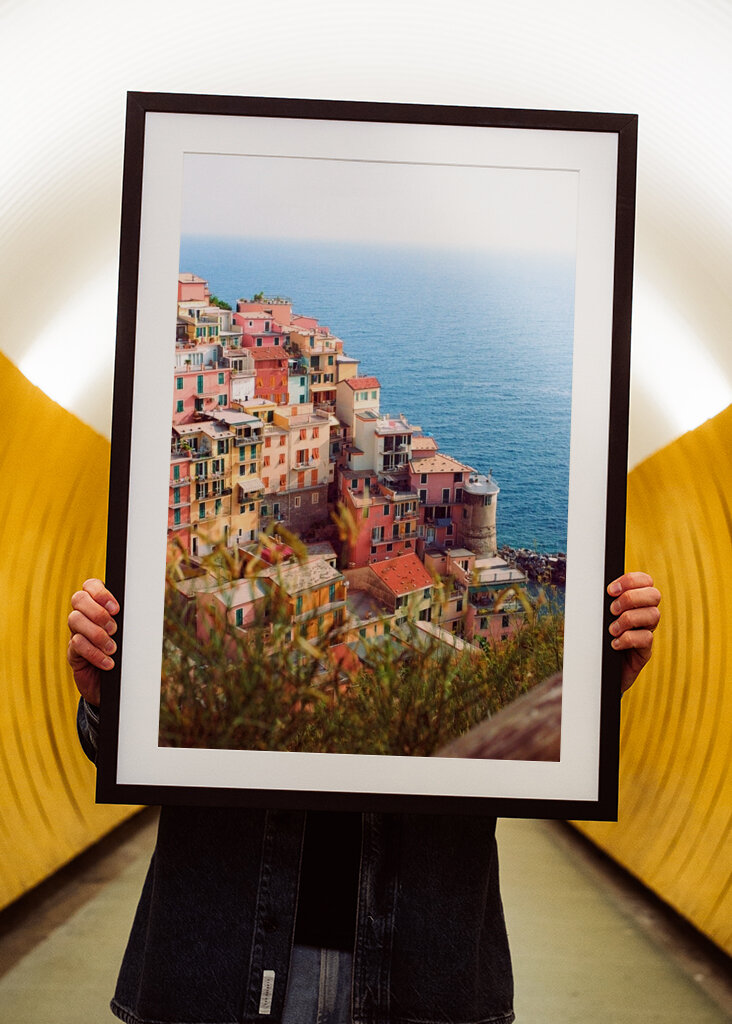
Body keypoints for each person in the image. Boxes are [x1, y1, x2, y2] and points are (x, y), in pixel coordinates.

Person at [68, 572, 660, 1024]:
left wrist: (587, 694)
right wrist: (109, 701)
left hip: (420, 968)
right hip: (222, 958)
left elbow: (517, 754)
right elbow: (121, 751)